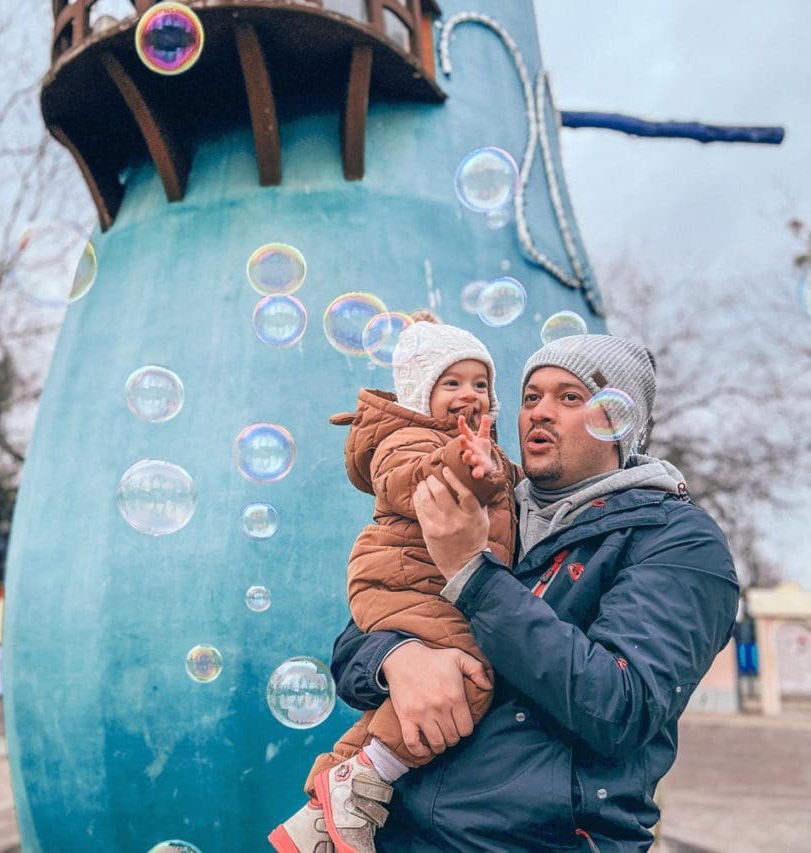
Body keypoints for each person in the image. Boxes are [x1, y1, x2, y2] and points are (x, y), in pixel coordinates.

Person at [324, 334, 739, 851]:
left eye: (569, 397)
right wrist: (396, 655)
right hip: (403, 834)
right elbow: (362, 633)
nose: (539, 412)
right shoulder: (490, 503)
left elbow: (621, 708)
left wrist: (473, 576)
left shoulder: (678, 540)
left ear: (616, 420)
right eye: (529, 397)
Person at [271, 314, 520, 853]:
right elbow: (419, 481)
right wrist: (466, 459)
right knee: (471, 679)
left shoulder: (488, 454)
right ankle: (364, 779)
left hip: (430, 584)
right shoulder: (404, 440)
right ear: (420, 393)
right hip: (402, 580)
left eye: (481, 384)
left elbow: (508, 495)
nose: (469, 395)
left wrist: (495, 467)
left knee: (409, 702)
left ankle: (325, 809)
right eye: (451, 383)